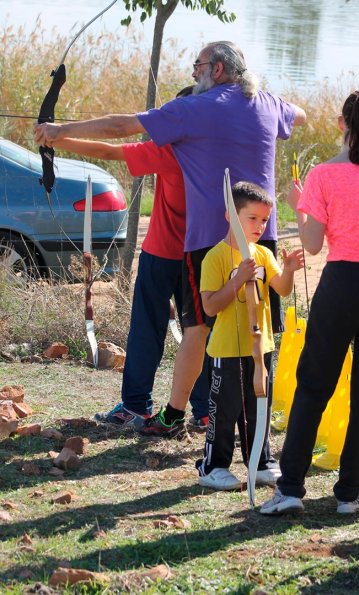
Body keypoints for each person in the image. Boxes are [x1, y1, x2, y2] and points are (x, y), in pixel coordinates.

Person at [34, 41, 306, 443]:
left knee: (197, 330)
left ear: (215, 69)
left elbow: (120, 129)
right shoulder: (266, 103)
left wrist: (60, 131)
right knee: (255, 333)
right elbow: (299, 115)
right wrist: (265, 100)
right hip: (259, 241)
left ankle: (176, 414)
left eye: (198, 64)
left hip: (209, 244)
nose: (193, 71)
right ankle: (243, 423)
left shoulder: (193, 110)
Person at [260, 90, 359, 515]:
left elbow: (313, 245)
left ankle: (291, 489)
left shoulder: (322, 176)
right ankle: (349, 495)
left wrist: (299, 205)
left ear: (342, 124)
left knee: (313, 387)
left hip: (341, 287)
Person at [52, 129, 210, 430]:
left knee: (146, 329)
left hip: (163, 252)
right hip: (202, 254)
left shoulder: (171, 147)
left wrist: (58, 138)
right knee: (200, 333)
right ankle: (205, 411)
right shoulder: (219, 152)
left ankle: (136, 407)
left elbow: (109, 150)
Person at [196, 181, 304, 489]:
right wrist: (237, 280)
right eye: (252, 218)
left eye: (264, 220)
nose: (259, 226)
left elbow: (280, 288)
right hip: (227, 350)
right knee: (225, 410)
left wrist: (290, 270)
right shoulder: (215, 257)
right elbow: (211, 306)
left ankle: (260, 463)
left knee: (260, 407)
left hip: (262, 347)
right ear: (231, 215)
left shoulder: (263, 254)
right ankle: (213, 467)